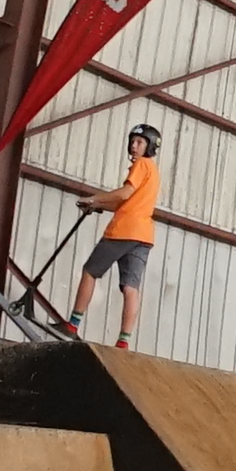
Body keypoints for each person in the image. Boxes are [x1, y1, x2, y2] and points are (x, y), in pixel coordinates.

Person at [74, 125, 162, 350]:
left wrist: (95, 198)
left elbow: (125, 193)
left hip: (124, 230)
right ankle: (124, 340)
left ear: (150, 146)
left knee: (90, 271)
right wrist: (100, 204)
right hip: (144, 235)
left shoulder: (141, 165)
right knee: (130, 287)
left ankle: (72, 324)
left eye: (140, 142)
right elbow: (127, 203)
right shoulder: (153, 171)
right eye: (132, 141)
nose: (134, 146)